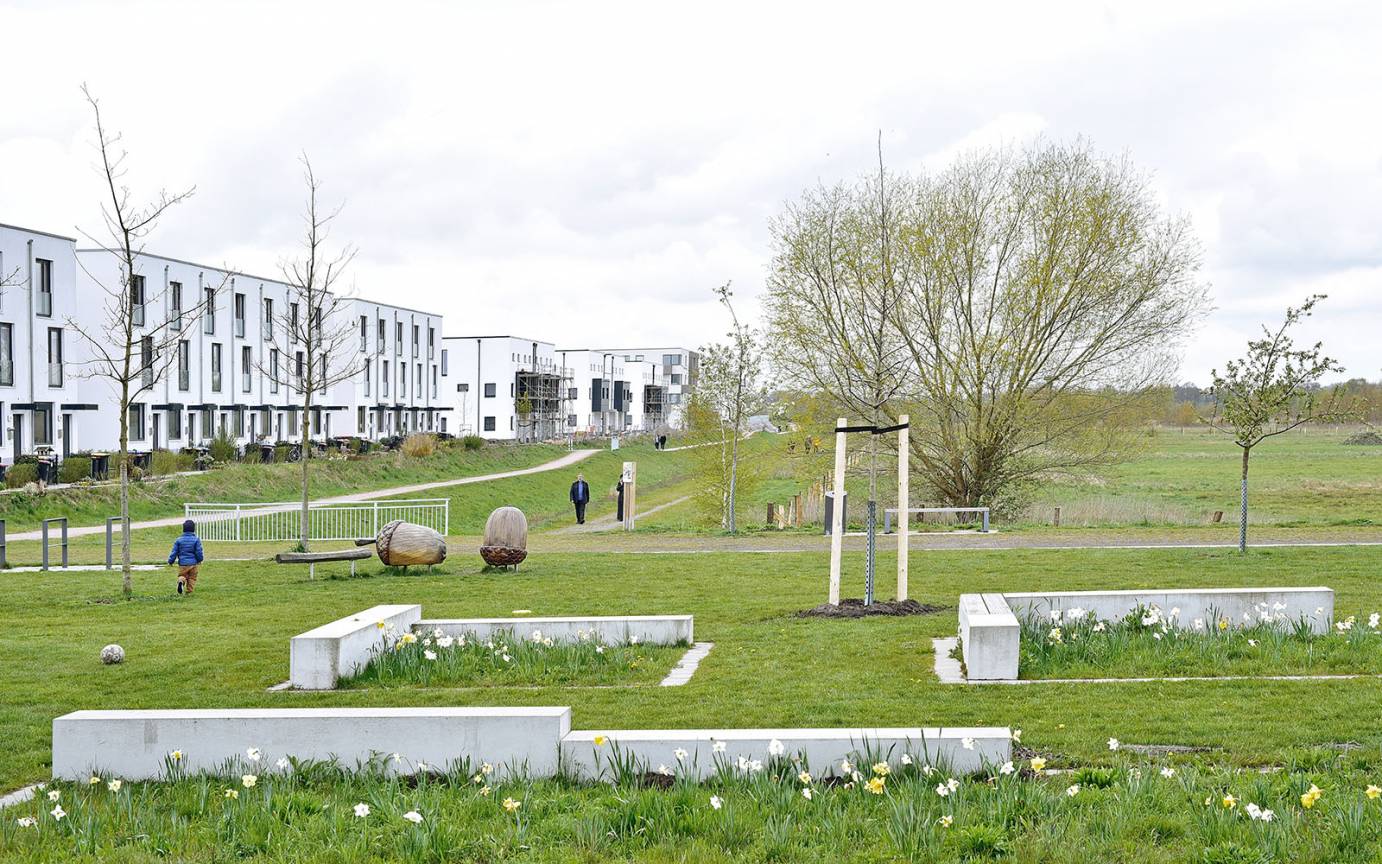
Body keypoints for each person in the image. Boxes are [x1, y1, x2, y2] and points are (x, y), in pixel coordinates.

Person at [168, 519, 205, 595]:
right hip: (193, 564)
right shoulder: (196, 540)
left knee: (182, 576)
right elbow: (198, 551)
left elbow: (174, 552)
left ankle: (181, 581)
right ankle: (189, 592)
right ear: (193, 529)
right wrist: (200, 560)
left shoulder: (179, 540)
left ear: (183, 529)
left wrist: (170, 561)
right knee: (192, 578)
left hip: (182, 564)